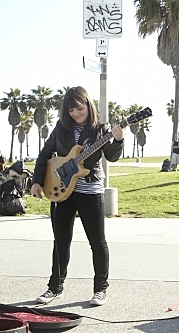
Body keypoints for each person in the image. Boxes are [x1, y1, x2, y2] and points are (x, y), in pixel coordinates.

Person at [30, 86, 124, 306]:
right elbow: (45, 154)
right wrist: (36, 181)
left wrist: (118, 140)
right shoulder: (61, 128)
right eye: (71, 110)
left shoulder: (102, 129)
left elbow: (111, 157)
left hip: (90, 190)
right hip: (62, 191)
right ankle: (54, 287)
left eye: (79, 108)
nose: (75, 113)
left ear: (88, 106)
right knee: (60, 241)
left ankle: (100, 290)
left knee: (97, 242)